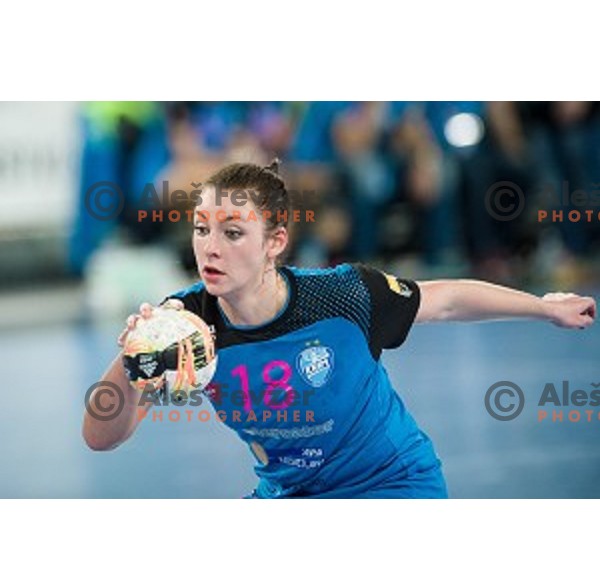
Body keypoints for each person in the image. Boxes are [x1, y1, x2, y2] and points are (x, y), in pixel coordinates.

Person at [82, 160, 597, 498]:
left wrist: (542, 307)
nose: (209, 248)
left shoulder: (341, 296)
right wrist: (132, 362)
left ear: (275, 241)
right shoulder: (183, 326)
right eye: (201, 229)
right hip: (290, 495)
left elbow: (445, 301)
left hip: (391, 485)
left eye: (233, 233)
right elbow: (99, 438)